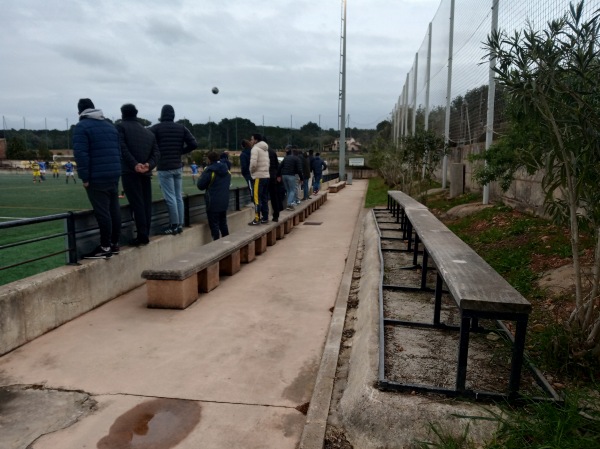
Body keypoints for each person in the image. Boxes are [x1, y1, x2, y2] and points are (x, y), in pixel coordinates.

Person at [73, 98, 121, 259]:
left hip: (97, 176)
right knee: (114, 210)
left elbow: (81, 154)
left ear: (80, 112)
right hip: (113, 174)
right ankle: (114, 243)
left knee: (103, 212)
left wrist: (84, 178)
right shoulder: (110, 126)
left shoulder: (81, 127)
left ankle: (105, 246)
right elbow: (118, 151)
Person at [149, 104, 198, 235]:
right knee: (178, 196)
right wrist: (180, 151)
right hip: (177, 166)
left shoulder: (156, 128)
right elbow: (194, 144)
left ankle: (174, 225)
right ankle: (179, 224)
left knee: (170, 197)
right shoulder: (181, 128)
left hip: (164, 166)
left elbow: (146, 140)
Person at [116, 103, 160, 246]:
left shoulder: (121, 128)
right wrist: (148, 165)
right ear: (136, 114)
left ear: (123, 114)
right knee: (146, 204)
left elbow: (122, 148)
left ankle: (142, 235)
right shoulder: (148, 132)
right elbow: (156, 153)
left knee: (137, 204)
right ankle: (145, 233)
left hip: (130, 172)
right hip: (145, 172)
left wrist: (135, 164)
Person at [197, 151, 231, 240]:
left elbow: (200, 186)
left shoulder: (209, 170)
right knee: (223, 223)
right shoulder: (226, 169)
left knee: (214, 225)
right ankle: (227, 243)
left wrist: (202, 175)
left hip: (213, 201)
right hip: (224, 200)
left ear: (209, 159)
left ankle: (217, 245)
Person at [248, 133, 270, 225]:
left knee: (257, 198)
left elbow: (253, 163)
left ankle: (257, 218)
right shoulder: (265, 149)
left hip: (258, 176)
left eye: (252, 139)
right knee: (264, 198)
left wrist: (252, 172)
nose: (251, 141)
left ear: (256, 140)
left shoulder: (255, 149)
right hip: (265, 176)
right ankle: (265, 217)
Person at [267, 145, 282, 222]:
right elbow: (277, 165)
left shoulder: (262, 151)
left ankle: (265, 216)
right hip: (273, 176)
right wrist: (278, 175)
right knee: (274, 196)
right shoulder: (273, 151)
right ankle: (276, 215)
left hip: (265, 176)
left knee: (263, 197)